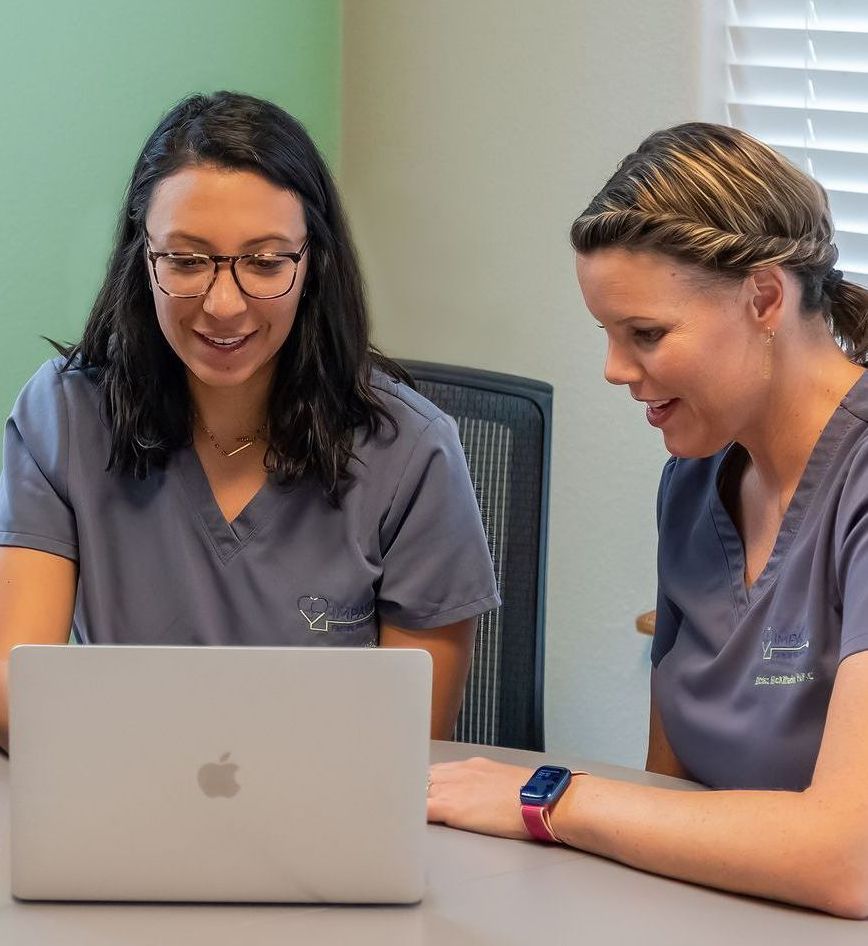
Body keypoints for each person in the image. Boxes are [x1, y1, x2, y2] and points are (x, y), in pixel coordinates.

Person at [427, 123, 868, 918]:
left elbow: (849, 858)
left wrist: (547, 798)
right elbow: (666, 789)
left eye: (646, 334)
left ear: (763, 297)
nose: (614, 369)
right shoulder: (693, 486)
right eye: (607, 334)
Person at [0, 91, 500, 750]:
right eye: (186, 260)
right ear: (142, 259)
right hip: (119, 817)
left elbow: (409, 751)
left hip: (328, 835)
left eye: (265, 262)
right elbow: (18, 696)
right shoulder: (61, 416)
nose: (225, 303)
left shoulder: (412, 452)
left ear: (313, 262)